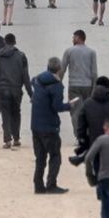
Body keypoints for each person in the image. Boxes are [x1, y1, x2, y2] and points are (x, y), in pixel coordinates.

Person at [31, 57, 71, 194]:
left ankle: (38, 185)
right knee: (55, 156)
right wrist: (70, 106)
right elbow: (57, 107)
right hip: (49, 126)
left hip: (35, 125)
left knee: (40, 157)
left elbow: (32, 81)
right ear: (59, 69)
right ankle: (51, 184)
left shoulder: (38, 80)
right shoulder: (56, 86)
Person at [0, 33, 33, 148]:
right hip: (16, 89)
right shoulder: (21, 56)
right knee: (16, 113)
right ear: (15, 42)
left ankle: (7, 140)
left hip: (1, 89)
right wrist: (31, 93)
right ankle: (16, 138)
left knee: (5, 113)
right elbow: (25, 76)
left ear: (4, 42)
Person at [61, 29, 98, 137]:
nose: (72, 39)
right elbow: (94, 72)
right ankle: (87, 133)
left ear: (78, 38)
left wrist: (58, 82)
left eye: (73, 37)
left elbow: (62, 68)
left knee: (75, 111)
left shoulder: (69, 51)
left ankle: (79, 135)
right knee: (88, 111)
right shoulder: (92, 52)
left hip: (74, 86)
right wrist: (95, 87)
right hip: (88, 86)